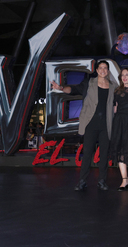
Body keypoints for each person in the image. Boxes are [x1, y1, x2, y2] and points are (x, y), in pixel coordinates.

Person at [50, 60, 118, 191]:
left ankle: (102, 181)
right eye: (101, 68)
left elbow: (115, 102)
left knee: (104, 154)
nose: (103, 70)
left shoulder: (113, 86)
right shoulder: (89, 83)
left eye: (105, 68)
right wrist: (61, 88)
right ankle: (82, 181)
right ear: (97, 70)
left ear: (108, 71)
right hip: (90, 123)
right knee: (87, 153)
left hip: (106, 124)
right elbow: (74, 89)